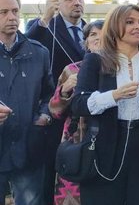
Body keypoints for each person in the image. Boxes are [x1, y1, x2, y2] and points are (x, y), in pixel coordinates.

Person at [71, 4, 139, 205]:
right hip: (106, 146)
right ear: (114, 26)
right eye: (130, 22)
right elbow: (78, 104)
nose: (138, 27)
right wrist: (113, 96)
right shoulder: (95, 61)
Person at [26, 0, 88, 205]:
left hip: (86, 114)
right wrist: (45, 17)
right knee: (53, 165)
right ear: (57, 3)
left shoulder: (93, 30)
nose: (76, 2)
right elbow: (27, 45)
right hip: (56, 111)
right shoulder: (45, 26)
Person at [0, 0, 54, 205]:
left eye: (15, 11)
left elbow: (49, 93)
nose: (12, 17)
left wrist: (44, 116)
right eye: (3, 12)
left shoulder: (39, 53)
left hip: (27, 146)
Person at [49, 20, 104, 205]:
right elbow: (55, 111)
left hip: (108, 140)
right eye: (92, 35)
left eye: (103, 33)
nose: (97, 38)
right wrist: (64, 90)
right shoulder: (71, 69)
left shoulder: (121, 67)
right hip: (76, 142)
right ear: (86, 42)